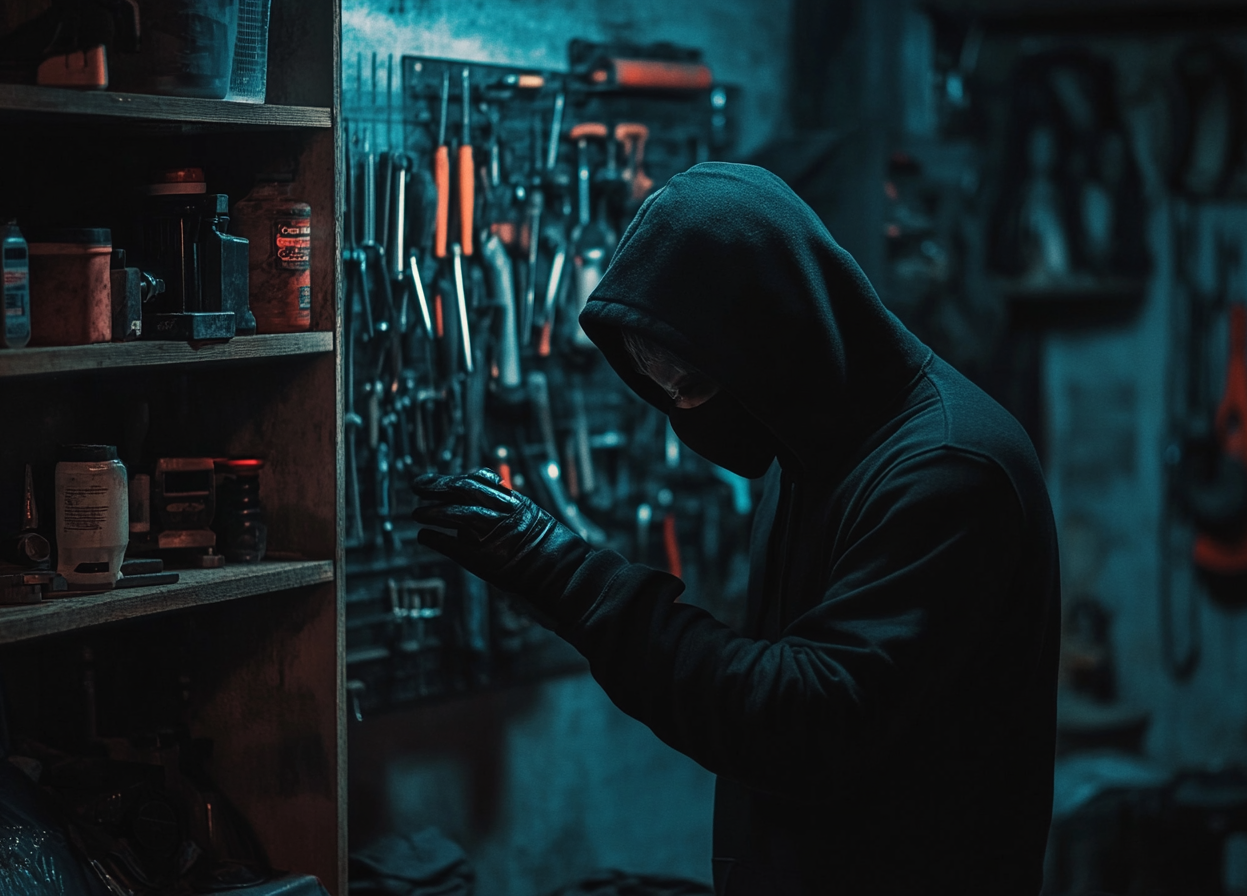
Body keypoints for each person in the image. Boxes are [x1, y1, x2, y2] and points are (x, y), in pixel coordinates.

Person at [412, 162, 1060, 895]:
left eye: (697, 384)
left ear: (775, 336)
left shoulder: (949, 467)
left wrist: (573, 581)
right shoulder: (809, 449)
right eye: (668, 394)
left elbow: (808, 722)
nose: (688, 416)